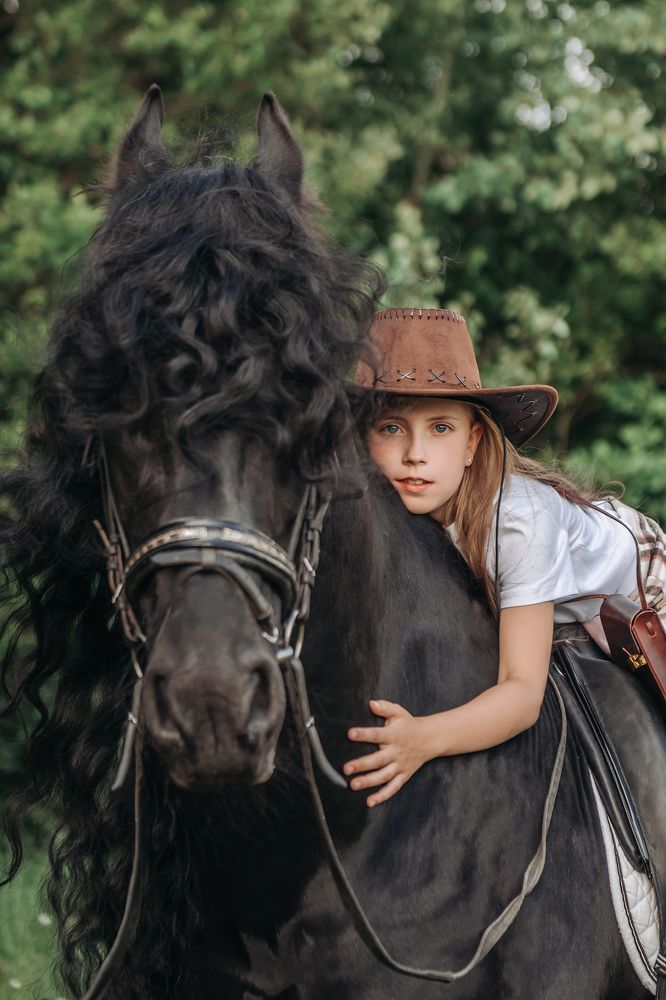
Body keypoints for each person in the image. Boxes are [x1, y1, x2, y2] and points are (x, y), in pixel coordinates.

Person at [344, 307, 666, 808]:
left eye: (441, 428)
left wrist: (421, 740)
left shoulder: (517, 521)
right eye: (390, 428)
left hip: (639, 586)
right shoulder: (387, 501)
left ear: (473, 441)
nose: (415, 453)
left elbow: (521, 696)